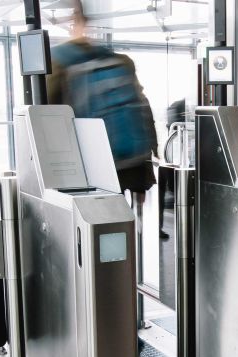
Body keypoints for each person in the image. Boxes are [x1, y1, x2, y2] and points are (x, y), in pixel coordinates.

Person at [47, 2, 158, 211]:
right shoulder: (120, 60)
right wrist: (152, 149)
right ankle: (135, 235)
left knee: (99, 217)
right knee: (130, 215)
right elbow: (142, 103)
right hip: (133, 159)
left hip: (94, 162)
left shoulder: (58, 61)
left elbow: (48, 116)